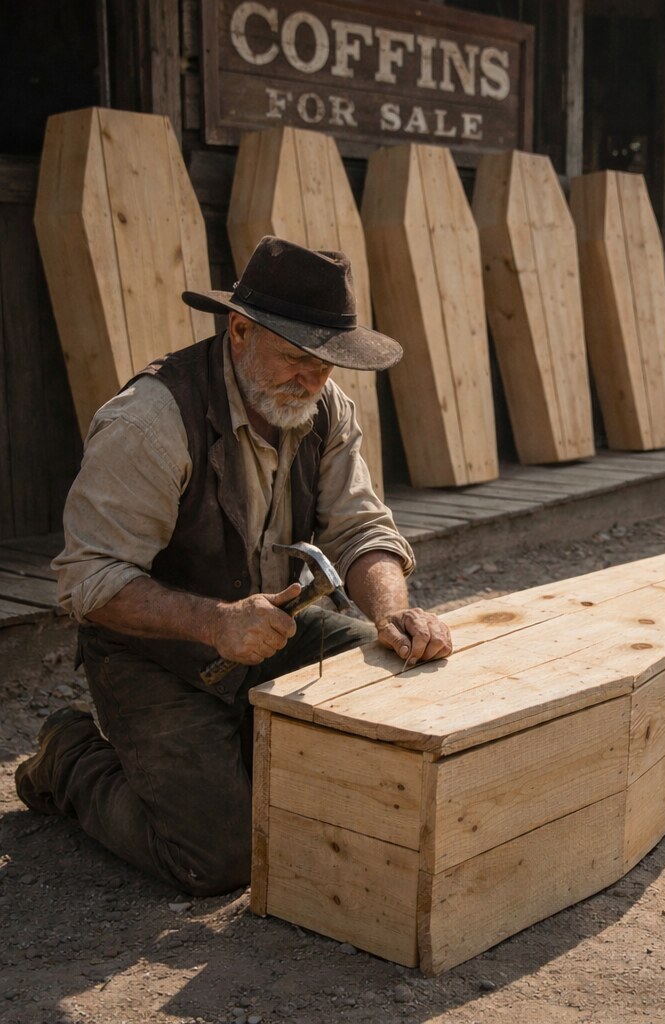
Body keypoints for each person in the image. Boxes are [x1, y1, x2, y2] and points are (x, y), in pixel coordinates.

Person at [15, 236, 452, 896]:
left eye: (327, 366)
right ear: (240, 330)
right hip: (151, 653)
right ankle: (68, 755)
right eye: (298, 360)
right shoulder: (151, 423)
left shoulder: (324, 410)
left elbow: (360, 528)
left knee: (395, 691)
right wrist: (214, 621)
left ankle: (239, 746)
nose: (313, 380)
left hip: (273, 629)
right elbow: (89, 581)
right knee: (219, 859)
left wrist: (393, 609)